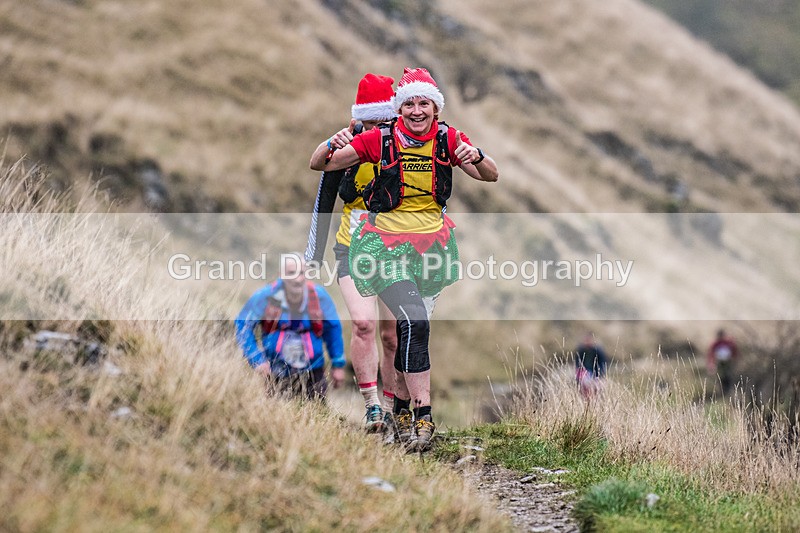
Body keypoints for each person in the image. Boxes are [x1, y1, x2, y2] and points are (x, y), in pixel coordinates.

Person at [310, 67, 499, 451]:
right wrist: (335, 141)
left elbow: (490, 174)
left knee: (401, 332)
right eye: (408, 104)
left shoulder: (445, 139)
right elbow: (320, 172)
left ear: (434, 107)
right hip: (371, 248)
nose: (415, 110)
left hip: (430, 248)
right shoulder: (372, 142)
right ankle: (395, 410)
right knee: (379, 324)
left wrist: (476, 155)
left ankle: (400, 407)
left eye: (423, 103)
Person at [304, 73, 400, 435]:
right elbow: (321, 189)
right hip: (352, 248)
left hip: (396, 250)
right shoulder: (349, 146)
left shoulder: (404, 145)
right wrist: (313, 257)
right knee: (363, 324)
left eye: (382, 121)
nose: (374, 128)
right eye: (368, 121)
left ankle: (393, 405)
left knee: (392, 335)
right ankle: (373, 406)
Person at [235, 253, 345, 400]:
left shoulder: (320, 297)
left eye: (301, 273)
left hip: (314, 372)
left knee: (315, 416)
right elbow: (243, 326)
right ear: (281, 275)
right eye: (291, 273)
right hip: (275, 372)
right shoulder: (265, 296)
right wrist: (257, 360)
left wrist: (338, 364)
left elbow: (333, 330)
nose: (298, 279)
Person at [574, 332, 608, 400]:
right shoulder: (581, 350)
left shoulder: (598, 350)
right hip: (585, 373)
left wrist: (600, 374)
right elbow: (578, 362)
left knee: (596, 389)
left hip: (595, 373)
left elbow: (602, 363)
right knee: (584, 389)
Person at [707, 328, 737, 395]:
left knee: (728, 376)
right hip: (719, 363)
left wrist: (735, 359)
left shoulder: (728, 343)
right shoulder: (715, 344)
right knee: (721, 376)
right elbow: (711, 355)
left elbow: (734, 351)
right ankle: (722, 391)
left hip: (728, 362)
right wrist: (711, 365)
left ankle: (728, 391)